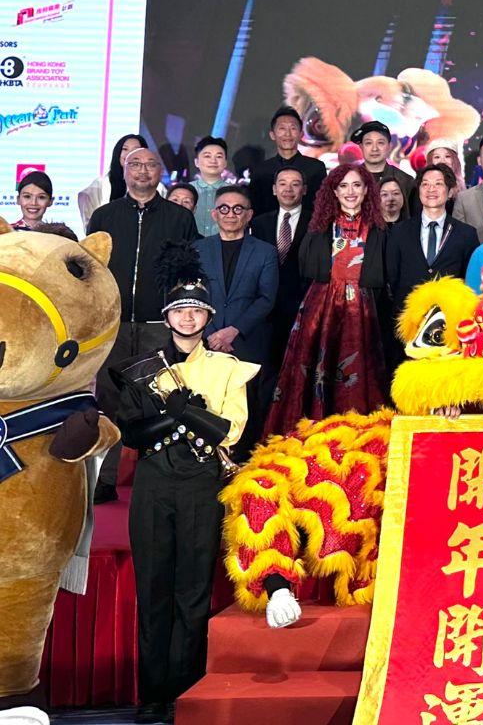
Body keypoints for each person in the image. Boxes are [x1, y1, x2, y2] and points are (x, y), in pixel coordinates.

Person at [109, 242, 257, 722]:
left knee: (192, 592)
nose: (188, 317)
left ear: (208, 317)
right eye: (180, 310)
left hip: (200, 482)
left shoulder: (228, 368)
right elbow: (133, 432)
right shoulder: (143, 368)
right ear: (167, 316)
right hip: (154, 483)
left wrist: (184, 414)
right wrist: (183, 416)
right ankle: (153, 696)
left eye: (196, 310)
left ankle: (184, 695)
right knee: (153, 590)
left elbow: (230, 431)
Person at [88, 146, 200, 503]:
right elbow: (91, 271)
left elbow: (188, 273)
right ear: (124, 170)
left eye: (151, 165)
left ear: (160, 173)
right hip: (114, 326)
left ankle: (158, 478)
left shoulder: (178, 218)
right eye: (135, 164)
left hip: (157, 325)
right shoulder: (105, 216)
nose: (142, 170)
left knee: (160, 401)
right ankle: (104, 479)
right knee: (109, 401)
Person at [266, 165, 389, 436]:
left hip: (364, 309)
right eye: (343, 186)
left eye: (356, 185)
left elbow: (384, 274)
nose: (350, 192)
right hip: (322, 307)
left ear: (366, 190)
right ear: (334, 191)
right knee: (317, 370)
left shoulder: (379, 229)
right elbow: (306, 268)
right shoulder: (319, 227)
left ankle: (360, 434)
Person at [247, 167, 310, 454]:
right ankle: (262, 436)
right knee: (265, 376)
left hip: (302, 309)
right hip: (264, 313)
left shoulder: (316, 222)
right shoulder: (259, 223)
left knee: (299, 375)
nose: (288, 189)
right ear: (274, 189)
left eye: (295, 184)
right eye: (282, 183)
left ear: (304, 190)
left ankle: (294, 435)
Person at [196, 185, 278, 367]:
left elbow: (266, 299)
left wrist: (234, 330)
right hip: (205, 340)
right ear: (214, 214)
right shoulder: (197, 249)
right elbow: (193, 295)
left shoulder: (266, 252)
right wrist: (211, 334)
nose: (230, 214)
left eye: (238, 209)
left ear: (249, 215)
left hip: (246, 342)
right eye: (224, 208)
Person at [385, 164, 480, 308]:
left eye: (438, 184)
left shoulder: (467, 234)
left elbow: (470, 279)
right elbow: (393, 277)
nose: (431, 189)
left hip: (450, 313)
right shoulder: (399, 231)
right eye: (425, 184)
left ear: (450, 192)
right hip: (408, 314)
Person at [248, 107, 326, 218]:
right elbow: (254, 208)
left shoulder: (316, 168)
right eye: (282, 128)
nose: (288, 134)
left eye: (293, 128)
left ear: (301, 134)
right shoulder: (260, 170)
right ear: (272, 135)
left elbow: (321, 207)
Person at [78, 132, 147, 225]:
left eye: (135, 150)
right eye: (125, 149)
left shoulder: (156, 187)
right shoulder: (98, 187)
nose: (129, 154)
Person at [354, 120, 412, 201]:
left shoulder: (406, 181)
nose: (374, 149)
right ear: (361, 146)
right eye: (368, 143)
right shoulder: (348, 179)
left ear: (389, 146)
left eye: (380, 143)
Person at [190, 136, 234, 238]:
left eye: (219, 156)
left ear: (225, 163)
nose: (213, 160)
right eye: (207, 156)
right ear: (196, 162)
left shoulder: (234, 193)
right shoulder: (186, 191)